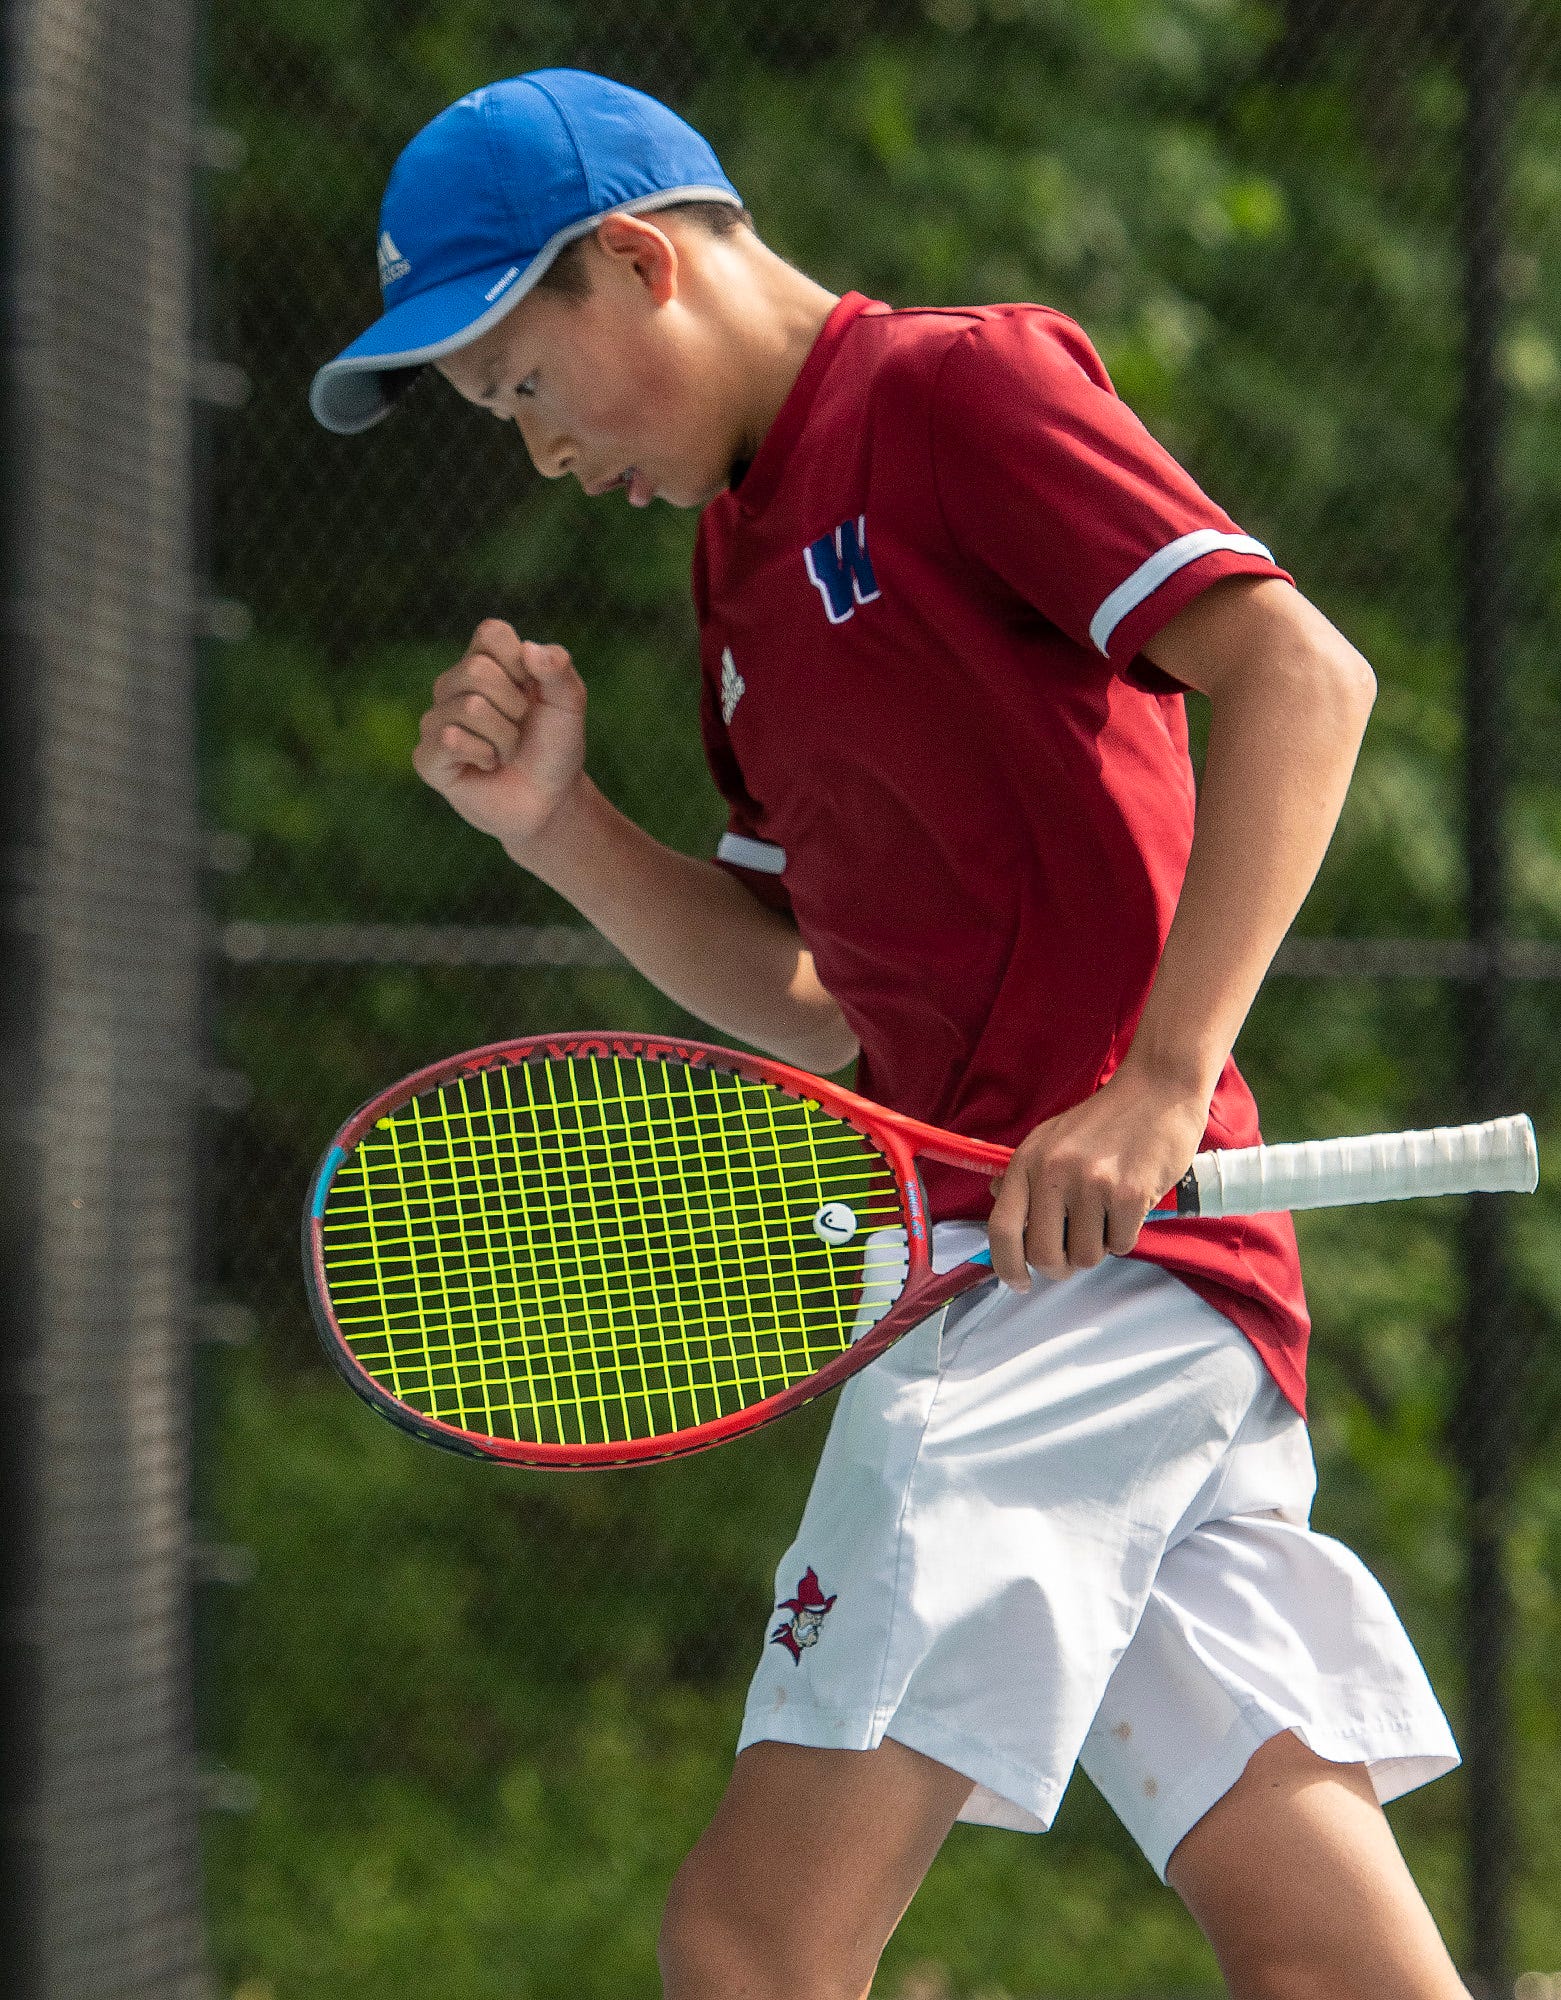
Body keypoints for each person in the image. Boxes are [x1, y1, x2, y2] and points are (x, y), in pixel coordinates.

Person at [312, 68, 1470, 2000]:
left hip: (1082, 1284)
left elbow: (1299, 669)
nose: (535, 449)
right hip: (1062, 1271)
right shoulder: (739, 555)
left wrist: (1158, 1083)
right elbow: (807, 992)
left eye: (524, 382)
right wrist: (560, 832)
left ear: (633, 263)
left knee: (750, 1944)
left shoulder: (949, 393)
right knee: (1323, 1950)